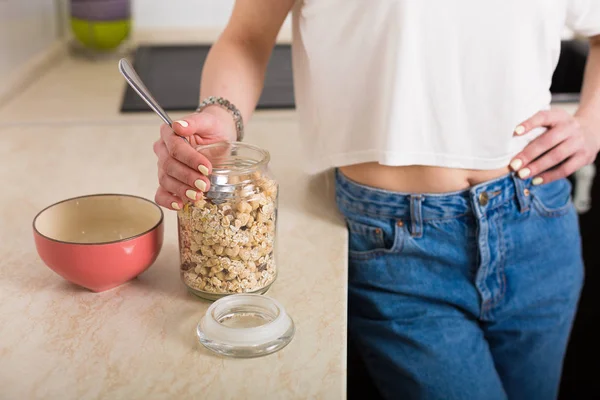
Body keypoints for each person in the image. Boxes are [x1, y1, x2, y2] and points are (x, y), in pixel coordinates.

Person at [153, 1, 600, 399]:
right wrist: (220, 116)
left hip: (537, 222)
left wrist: (592, 124)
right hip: (398, 250)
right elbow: (248, 34)